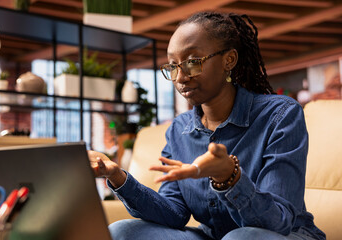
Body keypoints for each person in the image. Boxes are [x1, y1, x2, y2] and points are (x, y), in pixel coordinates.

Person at [88, 11, 326, 240]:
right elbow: (174, 213)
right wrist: (118, 177)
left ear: (228, 60)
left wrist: (230, 178)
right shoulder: (179, 129)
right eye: (172, 66)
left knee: (242, 237)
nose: (180, 77)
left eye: (192, 62)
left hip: (285, 235)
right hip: (215, 236)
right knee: (122, 232)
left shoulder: (280, 115)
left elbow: (278, 222)